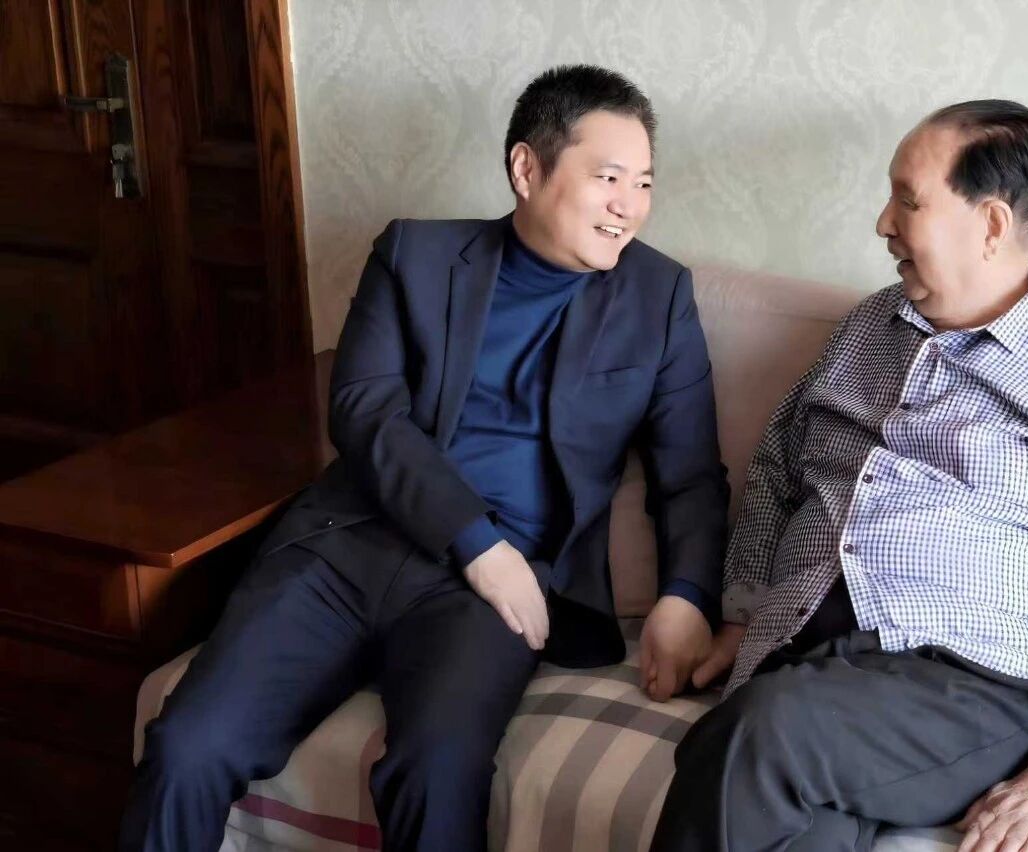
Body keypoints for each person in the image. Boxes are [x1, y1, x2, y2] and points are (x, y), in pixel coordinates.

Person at [121, 64, 728, 852]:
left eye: (643, 183)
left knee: (437, 767)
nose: (630, 205)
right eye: (609, 178)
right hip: (348, 549)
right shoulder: (415, 255)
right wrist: (476, 543)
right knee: (188, 745)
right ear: (527, 169)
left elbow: (690, 474)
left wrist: (686, 597)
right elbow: (364, 411)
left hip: (491, 596)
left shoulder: (660, 296)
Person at [652, 100, 1028, 852]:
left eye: (908, 200)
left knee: (756, 734)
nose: (883, 223)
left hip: (969, 685)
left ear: (990, 224)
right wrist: (740, 617)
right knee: (792, 819)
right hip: (806, 657)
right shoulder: (869, 327)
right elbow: (777, 469)